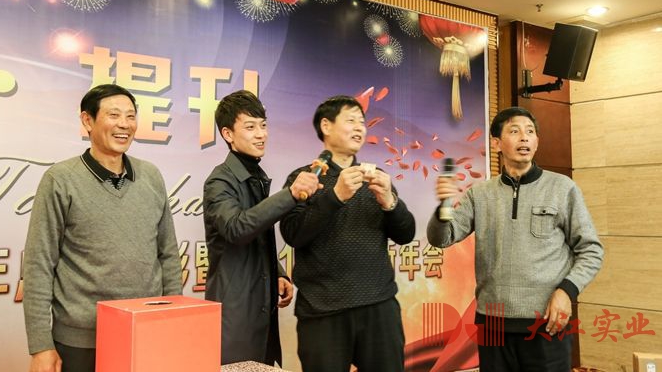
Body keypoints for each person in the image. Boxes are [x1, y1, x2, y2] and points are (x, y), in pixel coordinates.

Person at [427, 106, 604, 372]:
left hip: (547, 321)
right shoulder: (479, 194)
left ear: (537, 141)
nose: (524, 137)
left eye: (530, 132)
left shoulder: (562, 188)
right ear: (496, 143)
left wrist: (567, 291)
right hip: (492, 322)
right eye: (514, 131)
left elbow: (591, 250)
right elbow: (442, 239)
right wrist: (444, 206)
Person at [23, 84, 183, 372]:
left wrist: (173, 320)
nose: (124, 124)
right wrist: (40, 345)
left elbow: (168, 254)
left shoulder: (151, 176)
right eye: (114, 115)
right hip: (80, 342)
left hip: (146, 331)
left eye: (131, 116)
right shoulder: (60, 179)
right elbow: (39, 264)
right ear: (88, 120)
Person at [280, 95, 415, 372]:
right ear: (326, 126)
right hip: (322, 311)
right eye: (350, 120)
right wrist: (336, 196)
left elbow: (405, 234)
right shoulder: (304, 178)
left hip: (379, 307)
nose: (359, 128)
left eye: (362, 122)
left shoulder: (376, 177)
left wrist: (390, 202)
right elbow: (293, 234)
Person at [202, 90, 320, 366]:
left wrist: (277, 272)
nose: (261, 134)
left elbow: (258, 234)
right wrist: (291, 194)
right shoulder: (219, 181)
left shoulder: (254, 175)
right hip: (235, 313)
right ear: (228, 134)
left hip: (261, 308)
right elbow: (237, 228)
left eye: (263, 125)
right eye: (250, 127)